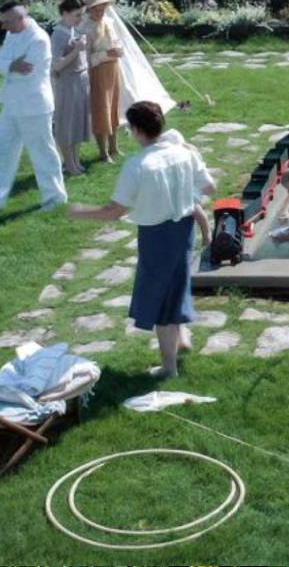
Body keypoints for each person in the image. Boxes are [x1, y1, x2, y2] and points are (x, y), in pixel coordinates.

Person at [68, 101, 212, 377]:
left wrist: (80, 211)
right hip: (183, 230)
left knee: (159, 298)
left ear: (135, 130)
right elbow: (207, 186)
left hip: (156, 236)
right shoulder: (184, 154)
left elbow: (113, 212)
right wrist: (185, 199)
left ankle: (169, 368)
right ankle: (181, 338)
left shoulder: (138, 165)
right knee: (176, 283)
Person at [0, 2, 67, 214]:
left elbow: (26, 72)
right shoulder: (11, 34)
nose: (3, 27)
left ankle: (55, 198)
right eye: (2, 22)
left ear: (20, 19)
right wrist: (11, 65)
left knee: (42, 154)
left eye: (6, 22)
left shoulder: (38, 39)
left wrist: (8, 65)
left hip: (34, 106)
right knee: (0, 152)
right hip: (11, 104)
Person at [49, 0, 93, 177]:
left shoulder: (71, 29)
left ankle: (74, 161)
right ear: (64, 13)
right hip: (67, 84)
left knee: (76, 123)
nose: (80, 19)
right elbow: (56, 65)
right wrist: (77, 49)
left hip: (79, 80)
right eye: (76, 15)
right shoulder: (59, 34)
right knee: (66, 124)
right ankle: (68, 163)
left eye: (81, 15)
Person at [84, 0, 125, 164]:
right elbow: (86, 59)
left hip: (113, 69)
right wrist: (106, 54)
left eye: (102, 8)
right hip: (98, 71)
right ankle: (103, 152)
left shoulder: (109, 22)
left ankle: (114, 147)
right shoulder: (85, 28)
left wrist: (119, 51)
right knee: (101, 109)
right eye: (95, 9)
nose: (99, 12)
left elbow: (118, 44)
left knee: (114, 107)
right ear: (89, 10)